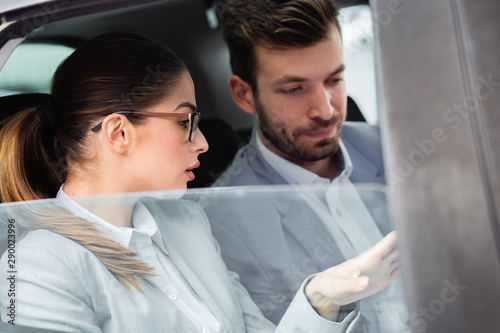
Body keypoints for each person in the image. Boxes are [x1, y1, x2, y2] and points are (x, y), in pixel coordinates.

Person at [0, 31, 398, 332]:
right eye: (185, 121)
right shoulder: (33, 271)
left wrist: (324, 296)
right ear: (119, 133)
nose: (203, 143)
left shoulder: (187, 224)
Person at [203, 0, 409, 331]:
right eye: (295, 88)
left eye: (334, 80)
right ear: (244, 94)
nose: (325, 110)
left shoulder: (399, 148)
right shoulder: (219, 222)